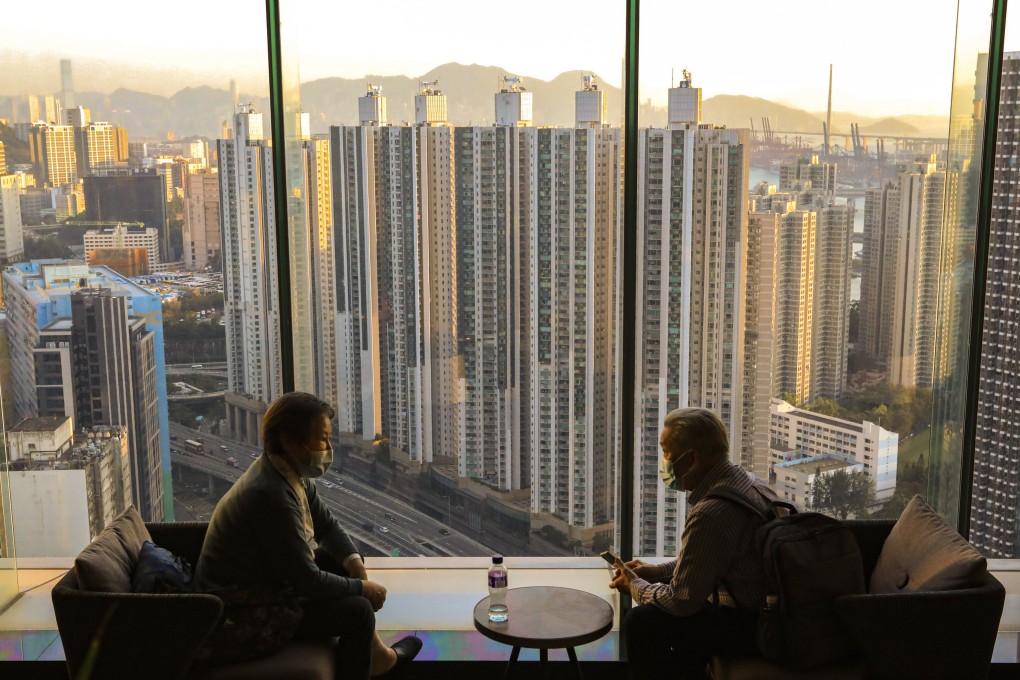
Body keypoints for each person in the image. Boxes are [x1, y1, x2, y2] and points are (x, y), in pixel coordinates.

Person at [195, 392, 421, 678]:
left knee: (344, 561)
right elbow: (308, 581)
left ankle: (375, 656)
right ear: (291, 441)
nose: (328, 447)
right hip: (241, 614)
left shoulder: (285, 471)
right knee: (358, 611)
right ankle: (371, 663)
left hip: (266, 587)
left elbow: (326, 526)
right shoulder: (270, 494)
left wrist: (355, 564)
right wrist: (363, 589)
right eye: (322, 439)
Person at [611, 407, 777, 680]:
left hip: (753, 625)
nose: (663, 461)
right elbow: (712, 558)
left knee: (642, 622)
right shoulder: (751, 484)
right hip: (771, 610)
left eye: (667, 452)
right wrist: (658, 572)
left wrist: (635, 585)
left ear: (692, 458)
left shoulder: (711, 513)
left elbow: (681, 602)